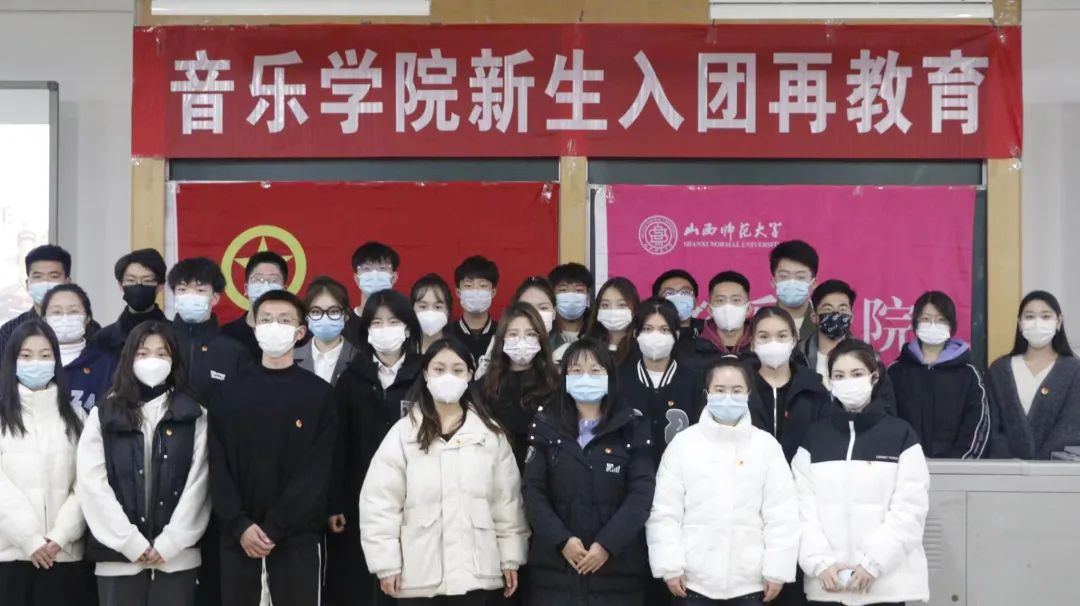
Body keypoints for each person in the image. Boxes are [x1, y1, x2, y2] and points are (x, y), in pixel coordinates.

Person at [359, 338, 530, 605]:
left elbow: (507, 503)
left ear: (470, 374)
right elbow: (380, 503)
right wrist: (386, 563)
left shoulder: (489, 435)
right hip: (418, 575)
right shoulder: (403, 434)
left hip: (475, 572)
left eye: (457, 370)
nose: (448, 376)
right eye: (439, 369)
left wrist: (510, 557)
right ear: (426, 373)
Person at [209, 290, 337, 606]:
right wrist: (240, 525)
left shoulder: (319, 395)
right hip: (238, 539)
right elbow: (217, 465)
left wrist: (276, 528)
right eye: (266, 319)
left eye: (284, 320)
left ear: (300, 332)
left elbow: (317, 472)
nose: (274, 326)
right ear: (254, 326)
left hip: (297, 541)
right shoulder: (228, 393)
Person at [647, 357, 799, 606]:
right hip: (692, 582)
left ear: (748, 394)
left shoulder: (766, 446)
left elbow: (782, 513)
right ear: (707, 393)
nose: (728, 397)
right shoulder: (683, 445)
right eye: (719, 390)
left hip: (750, 582)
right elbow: (665, 511)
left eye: (736, 390)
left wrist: (777, 570)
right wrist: (670, 566)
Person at [78, 321, 210, 606]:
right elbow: (91, 483)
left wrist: (171, 542)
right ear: (129, 358)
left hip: (177, 559)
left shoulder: (194, 413)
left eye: (162, 354)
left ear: (174, 361)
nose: (153, 360)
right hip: (117, 558)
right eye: (143, 353)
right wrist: (130, 542)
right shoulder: (104, 412)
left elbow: (200, 483)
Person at [793, 339, 930, 606]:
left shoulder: (901, 436)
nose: (848, 382)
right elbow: (801, 509)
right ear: (830, 381)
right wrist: (820, 563)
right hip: (828, 584)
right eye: (839, 376)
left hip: (885, 586)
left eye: (857, 374)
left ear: (874, 377)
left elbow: (910, 510)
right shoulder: (814, 437)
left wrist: (874, 564)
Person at [524, 338, 655, 606]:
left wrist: (607, 544)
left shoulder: (632, 426)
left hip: (617, 572)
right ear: (564, 377)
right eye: (576, 371)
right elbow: (532, 491)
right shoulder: (545, 425)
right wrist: (562, 540)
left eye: (595, 371)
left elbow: (641, 494)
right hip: (555, 571)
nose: (586, 377)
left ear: (610, 377)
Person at [329, 289, 423, 606]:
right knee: (363, 586)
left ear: (408, 327)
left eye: (393, 322)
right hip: (360, 499)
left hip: (416, 498)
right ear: (366, 330)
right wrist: (335, 502)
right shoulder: (351, 379)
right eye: (377, 323)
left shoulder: (425, 375)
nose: (385, 329)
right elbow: (338, 446)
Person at [0, 320, 88, 606]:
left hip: (64, 554)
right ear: (12, 361)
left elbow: (86, 483)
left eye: (45, 355)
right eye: (26, 356)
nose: (36, 363)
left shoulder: (77, 417)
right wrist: (29, 539)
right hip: (10, 555)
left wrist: (61, 535)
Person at [888, 291, 990, 459]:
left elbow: (977, 424)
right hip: (906, 466)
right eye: (926, 319)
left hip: (956, 469)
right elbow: (888, 421)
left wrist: (957, 464)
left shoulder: (969, 375)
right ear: (915, 323)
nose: (933, 325)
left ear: (951, 325)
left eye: (941, 320)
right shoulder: (896, 372)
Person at [986, 290, 1080, 459]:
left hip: (1057, 470)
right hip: (1005, 470)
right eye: (1029, 317)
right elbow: (992, 427)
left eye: (1045, 316)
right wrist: (1012, 464)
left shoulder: (1074, 370)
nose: (1037, 323)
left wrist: (1039, 465)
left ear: (1059, 321)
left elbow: (1071, 425)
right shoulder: (999, 370)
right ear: (1020, 323)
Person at [617, 298, 703, 467]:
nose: (655, 336)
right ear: (635, 334)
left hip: (681, 473)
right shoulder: (619, 379)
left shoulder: (694, 380)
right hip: (630, 474)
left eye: (664, 330)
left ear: (676, 334)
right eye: (648, 329)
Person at [482, 302, 559, 470]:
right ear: (502, 339)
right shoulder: (485, 386)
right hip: (499, 472)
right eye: (513, 334)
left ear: (540, 338)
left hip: (543, 472)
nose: (522, 340)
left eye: (530, 334)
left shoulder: (555, 385)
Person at [166, 257, 251, 404]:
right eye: (182, 289)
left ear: (215, 298)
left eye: (200, 290)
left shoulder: (233, 351)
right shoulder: (160, 340)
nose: (190, 296)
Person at [749, 307, 830, 462]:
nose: (773, 343)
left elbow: (825, 441)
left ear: (794, 340)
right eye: (764, 336)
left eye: (782, 336)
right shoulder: (740, 389)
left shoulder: (814, 389)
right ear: (752, 343)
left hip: (802, 474)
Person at [0, 245, 100, 354]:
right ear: (28, 284)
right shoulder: (9, 331)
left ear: (67, 283)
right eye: (38, 276)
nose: (46, 282)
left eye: (54, 276)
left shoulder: (92, 330)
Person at [42, 284, 117, 412]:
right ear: (44, 319)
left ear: (87, 318)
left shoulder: (107, 363)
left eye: (73, 311)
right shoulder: (31, 362)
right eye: (56, 312)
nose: (65, 318)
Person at [94, 249, 169, 358]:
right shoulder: (103, 338)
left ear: (160, 286)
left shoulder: (175, 334)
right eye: (131, 280)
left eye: (147, 280)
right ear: (120, 285)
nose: (138, 285)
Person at [222, 251, 288, 360]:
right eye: (258, 280)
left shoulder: (294, 334)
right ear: (246, 289)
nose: (265, 286)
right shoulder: (227, 335)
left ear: (284, 290)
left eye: (273, 280)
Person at [562, 277, 640, 367]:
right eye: (605, 305)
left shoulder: (642, 349)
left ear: (634, 310)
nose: (612, 310)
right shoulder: (583, 349)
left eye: (622, 305)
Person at [295, 276, 357, 385]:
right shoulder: (291, 359)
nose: (325, 318)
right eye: (316, 312)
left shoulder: (359, 359)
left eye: (334, 311)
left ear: (346, 315)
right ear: (306, 316)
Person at [797, 280, 856, 386]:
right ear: (814, 317)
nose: (836, 314)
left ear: (851, 317)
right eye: (828, 309)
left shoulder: (867, 357)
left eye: (843, 309)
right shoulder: (797, 356)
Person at [345, 242, 402, 347]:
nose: (374, 274)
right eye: (367, 269)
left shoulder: (404, 319)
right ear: (357, 279)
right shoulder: (344, 324)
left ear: (394, 278)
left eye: (382, 268)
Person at [447, 255, 500, 363]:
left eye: (483, 286)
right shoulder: (446, 334)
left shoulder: (503, 333)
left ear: (493, 292)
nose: (475, 291)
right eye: (468, 286)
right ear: (458, 292)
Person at [692, 271, 754, 361]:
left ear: (748, 309)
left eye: (736, 300)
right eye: (720, 300)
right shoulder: (692, 349)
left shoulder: (761, 346)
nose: (728, 306)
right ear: (710, 310)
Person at [769, 241, 818, 343]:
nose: (792, 283)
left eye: (800, 277)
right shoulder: (759, 324)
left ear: (813, 283)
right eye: (784, 276)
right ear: (773, 282)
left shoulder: (825, 324)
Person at [652, 269, 704, 353]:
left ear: (695, 302)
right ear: (657, 303)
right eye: (669, 293)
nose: (678, 297)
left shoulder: (710, 333)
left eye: (685, 292)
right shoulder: (647, 334)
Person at [548, 263, 593, 350]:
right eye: (563, 290)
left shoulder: (599, 332)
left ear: (588, 294)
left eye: (579, 290)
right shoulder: (544, 333)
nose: (571, 295)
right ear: (552, 294)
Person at [411, 273, 453, 354]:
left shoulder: (458, 352)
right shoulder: (401, 351)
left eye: (437, 307)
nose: (430, 312)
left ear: (447, 311)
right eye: (423, 306)